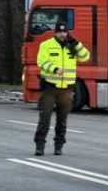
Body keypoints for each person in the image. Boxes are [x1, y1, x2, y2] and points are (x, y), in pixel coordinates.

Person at [33, 22, 90, 156]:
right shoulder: (46, 45)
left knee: (62, 120)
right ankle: (39, 145)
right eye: (60, 32)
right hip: (50, 88)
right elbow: (41, 61)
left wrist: (76, 43)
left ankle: (59, 146)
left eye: (65, 32)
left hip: (67, 89)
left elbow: (85, 57)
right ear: (55, 32)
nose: (62, 34)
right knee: (45, 119)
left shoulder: (72, 45)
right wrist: (55, 69)